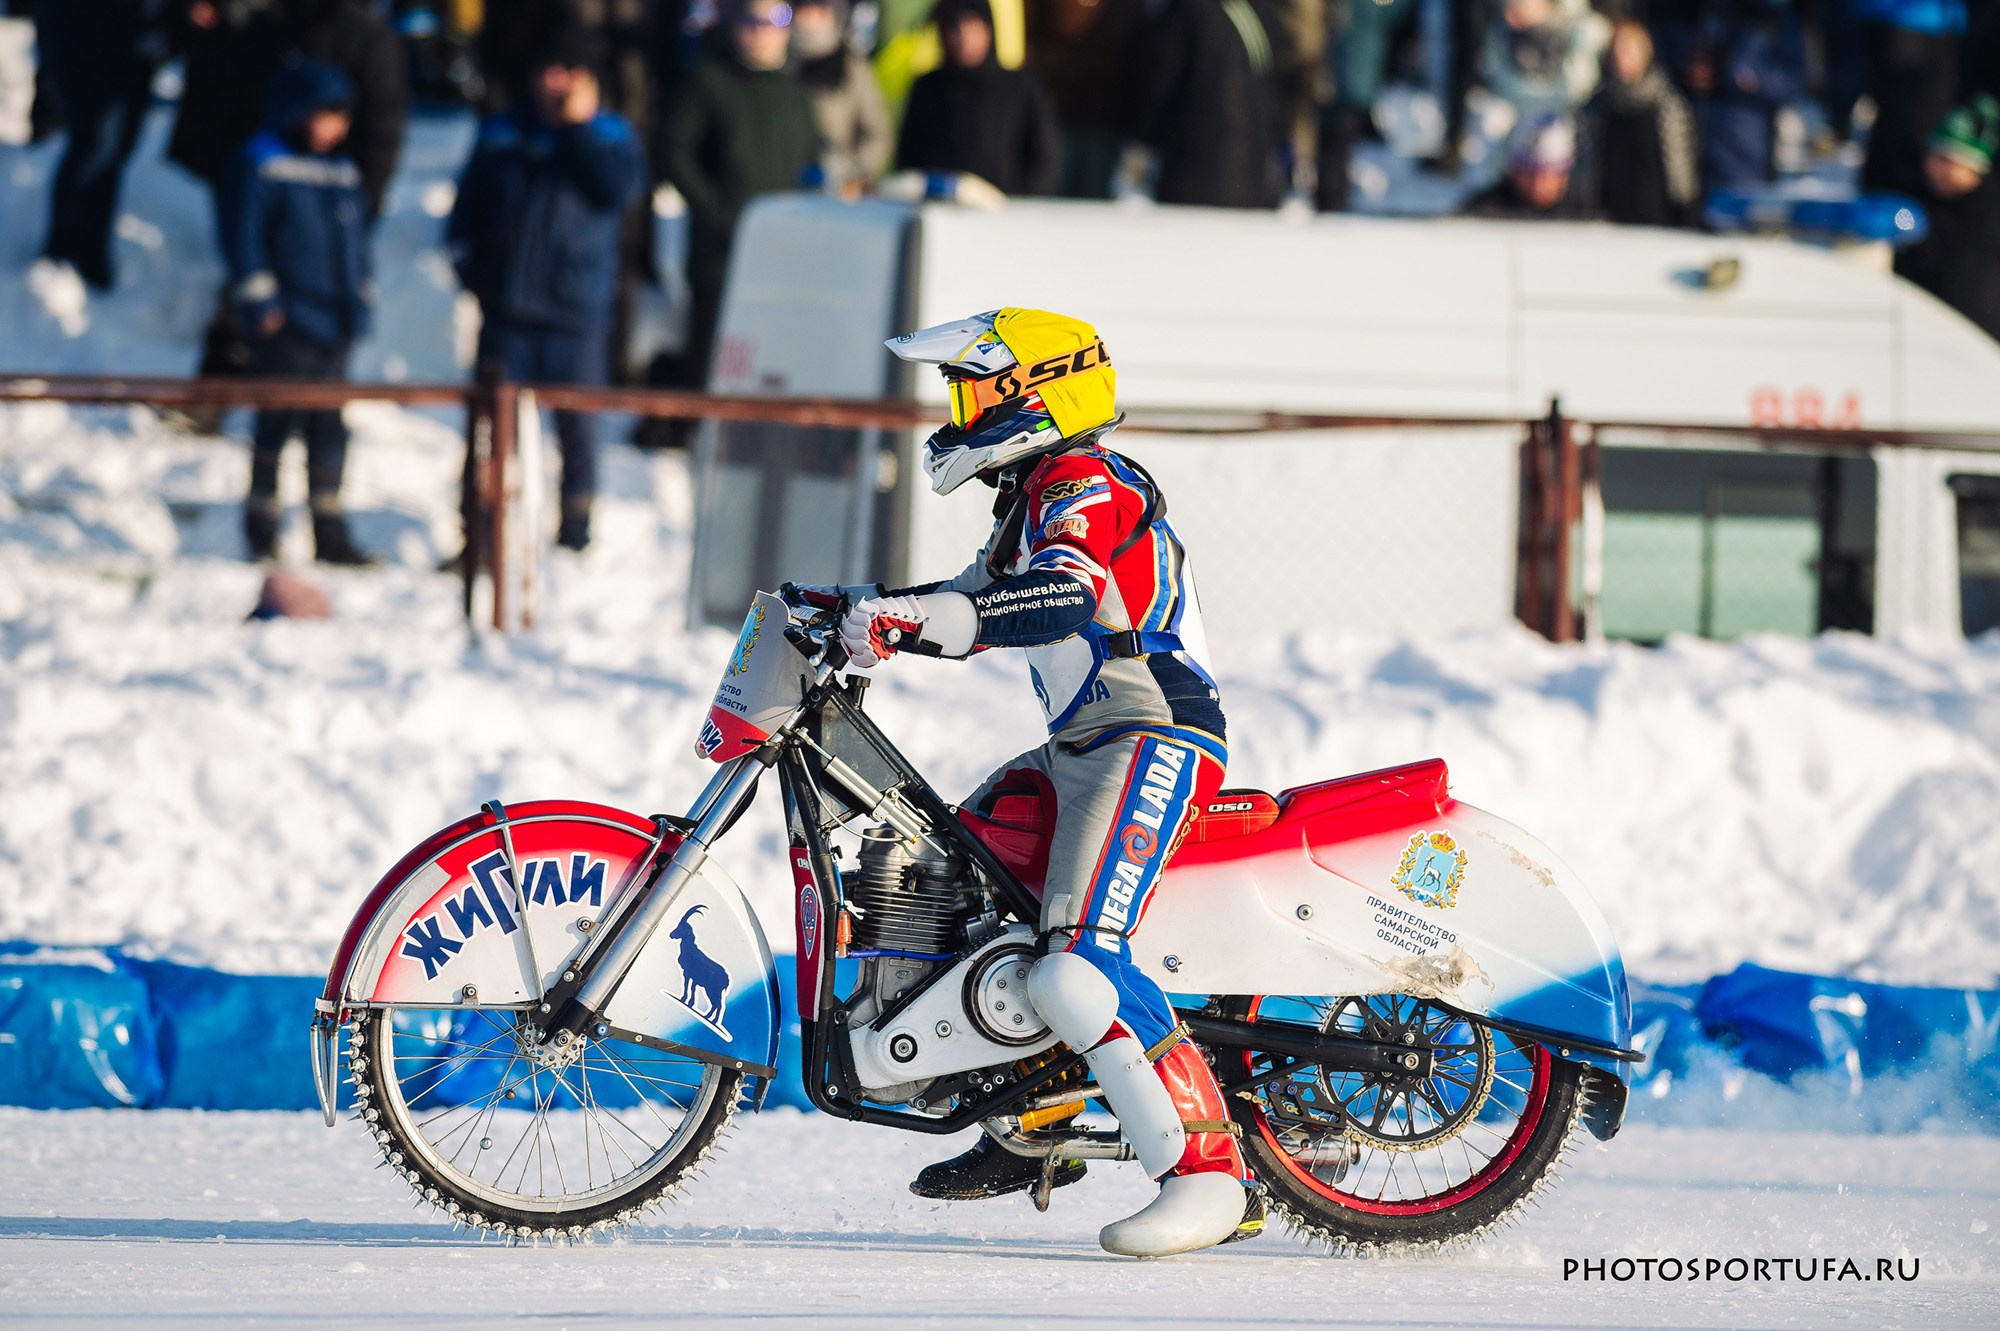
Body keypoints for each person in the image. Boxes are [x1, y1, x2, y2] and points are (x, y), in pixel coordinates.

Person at [821, 308, 1258, 1258]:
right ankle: (1029, 1122)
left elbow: (1055, 593)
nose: (959, 410)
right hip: (1082, 744)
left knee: (1077, 961)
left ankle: (1210, 1174)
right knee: (950, 873)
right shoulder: (1030, 500)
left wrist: (915, 619)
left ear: (1038, 396)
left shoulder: (1087, 483)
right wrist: (847, 608)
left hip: (1150, 734)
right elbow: (965, 599)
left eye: (977, 391)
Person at [450, 29, 648, 551]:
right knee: (491, 434)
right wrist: (476, 273)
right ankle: (480, 538)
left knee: (579, 435)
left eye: (568, 72)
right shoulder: (504, 131)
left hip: (575, 313)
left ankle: (575, 535)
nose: (554, 83)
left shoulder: (611, 136)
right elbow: (465, 212)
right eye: (548, 70)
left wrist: (577, 128)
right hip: (508, 311)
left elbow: (618, 194)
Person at [219, 60, 375, 564]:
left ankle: (328, 531)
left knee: (329, 430)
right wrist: (262, 303)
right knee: (276, 425)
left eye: (343, 116)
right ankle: (261, 530)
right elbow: (243, 240)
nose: (337, 127)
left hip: (335, 325)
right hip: (287, 324)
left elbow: (356, 247)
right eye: (327, 115)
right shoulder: (262, 162)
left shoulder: (342, 171)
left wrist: (361, 299)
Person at [656, 0, 822, 394]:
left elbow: (812, 163)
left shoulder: (794, 94)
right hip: (722, 252)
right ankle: (697, 438)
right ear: (734, 26)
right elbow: (672, 151)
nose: (764, 31)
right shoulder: (707, 82)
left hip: (784, 255)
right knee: (718, 359)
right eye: (753, 20)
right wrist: (716, 210)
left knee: (774, 363)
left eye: (777, 19)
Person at [32, 0, 176, 289]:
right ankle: (65, 254)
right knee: (95, 145)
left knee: (117, 150)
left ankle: (92, 252)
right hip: (87, 34)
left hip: (138, 42)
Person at [894, 0, 1061, 197]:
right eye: (954, 27)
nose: (963, 36)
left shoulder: (1020, 87)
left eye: (972, 25)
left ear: (988, 29)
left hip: (1004, 217)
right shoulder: (928, 87)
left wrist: (1015, 203)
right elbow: (908, 159)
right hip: (938, 215)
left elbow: (1044, 160)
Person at [1136, 0, 1289, 209]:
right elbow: (1278, 92)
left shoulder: (1186, 9)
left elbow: (1161, 83)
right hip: (1251, 176)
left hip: (1191, 173)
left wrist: (1144, 139)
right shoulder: (1261, 11)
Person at [1659, 0, 1806, 192]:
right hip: (1685, 144)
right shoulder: (1685, 10)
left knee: (1735, 212)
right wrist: (1684, 68)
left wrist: (1737, 75)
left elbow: (1792, 80)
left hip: (1742, 151)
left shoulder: (1773, 14)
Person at [1894, 94, 2000, 341]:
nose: (1932, 167)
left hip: (1986, 353)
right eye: (1931, 156)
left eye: (1946, 160)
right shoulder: (1913, 208)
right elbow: (1892, 223)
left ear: (1974, 166)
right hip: (1926, 346)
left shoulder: (1993, 216)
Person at [1579, 16, 1700, 227]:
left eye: (1627, 50)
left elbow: (1681, 165)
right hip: (1607, 218)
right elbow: (1587, 164)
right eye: (1615, 51)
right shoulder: (1598, 106)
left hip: (1656, 216)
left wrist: (1685, 208)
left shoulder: (1666, 103)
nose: (1620, 58)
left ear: (1645, 53)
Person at [791, 0, 892, 195]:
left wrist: (850, 170)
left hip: (840, 188)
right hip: (788, 186)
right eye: (804, 13)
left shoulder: (852, 66)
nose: (811, 22)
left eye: (819, 13)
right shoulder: (778, 62)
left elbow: (878, 136)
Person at [1480, 0, 1610, 123]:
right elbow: (1499, 80)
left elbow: (1574, 90)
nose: (1510, 17)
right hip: (1515, 110)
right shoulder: (1502, 33)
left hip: (1567, 115)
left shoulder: (1583, 29)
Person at [1463, 109, 1600, 218]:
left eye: (1546, 173)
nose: (1537, 182)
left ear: (1564, 174)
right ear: (1514, 171)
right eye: (1528, 172)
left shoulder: (1587, 216)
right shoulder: (1484, 210)